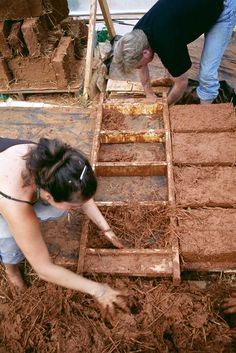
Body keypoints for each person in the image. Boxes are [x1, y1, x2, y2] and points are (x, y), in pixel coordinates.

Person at [0, 137, 125, 314]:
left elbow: (81, 195)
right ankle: (11, 270)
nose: (77, 207)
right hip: (5, 195)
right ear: (49, 196)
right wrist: (100, 290)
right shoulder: (14, 201)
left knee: (56, 211)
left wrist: (106, 228)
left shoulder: (55, 165)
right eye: (73, 206)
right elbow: (43, 269)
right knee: (8, 238)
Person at [113, 0, 236, 106]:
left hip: (223, 8)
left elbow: (182, 83)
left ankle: (204, 113)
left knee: (207, 74)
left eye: (138, 65)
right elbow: (143, 64)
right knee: (171, 57)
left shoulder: (166, 41)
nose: (140, 67)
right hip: (199, 8)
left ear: (145, 53)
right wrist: (149, 93)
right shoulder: (136, 35)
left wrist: (164, 105)